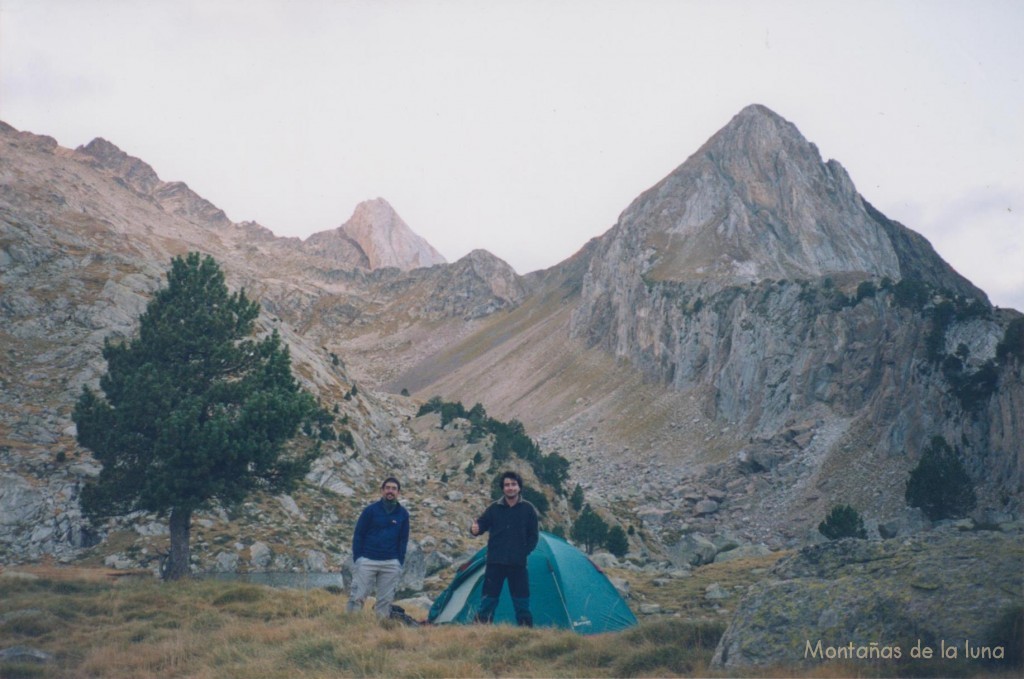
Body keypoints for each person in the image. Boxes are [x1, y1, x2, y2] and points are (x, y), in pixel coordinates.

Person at [469, 470, 539, 627]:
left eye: (513, 484)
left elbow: (533, 536)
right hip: (495, 562)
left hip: (518, 564)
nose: (510, 488)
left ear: (519, 487)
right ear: (503, 488)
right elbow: (480, 525)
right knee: (488, 600)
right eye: (507, 485)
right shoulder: (494, 508)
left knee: (521, 602)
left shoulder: (528, 509)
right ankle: (480, 631)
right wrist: (475, 529)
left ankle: (525, 633)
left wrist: (523, 552)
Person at [347, 477, 410, 619]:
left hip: (390, 563)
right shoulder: (370, 511)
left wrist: (399, 561)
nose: (390, 491)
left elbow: (403, 540)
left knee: (384, 601)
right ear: (382, 491)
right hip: (367, 560)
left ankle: (379, 630)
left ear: (398, 492)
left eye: (394, 489)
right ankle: (349, 625)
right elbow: (359, 534)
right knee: (357, 596)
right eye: (387, 488)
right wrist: (358, 558)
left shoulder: (403, 514)